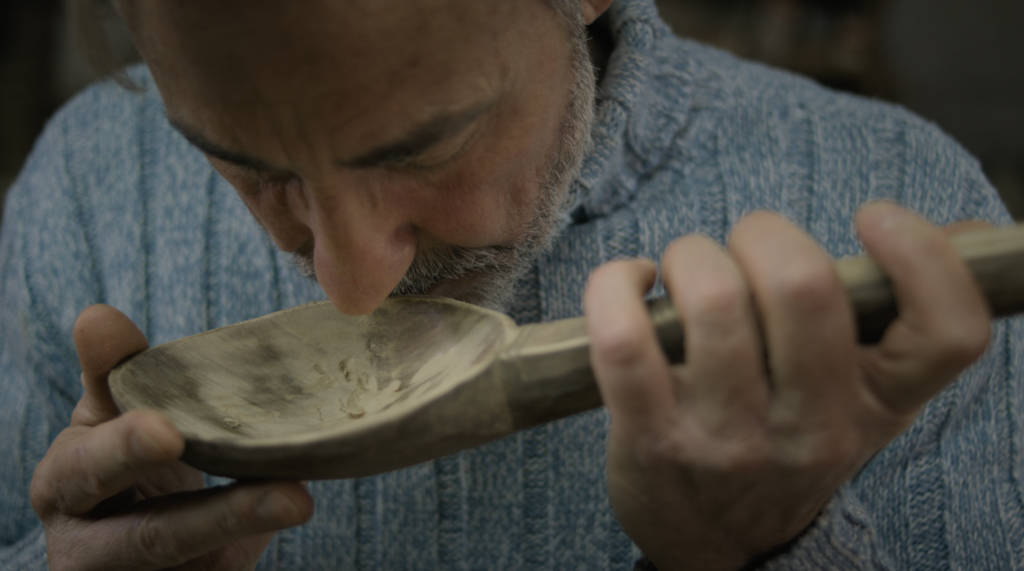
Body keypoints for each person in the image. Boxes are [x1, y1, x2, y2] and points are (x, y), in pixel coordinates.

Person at [1, 0, 1020, 569]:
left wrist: (759, 551)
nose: (349, 282)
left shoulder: (895, 193)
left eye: (428, 145)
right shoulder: (87, 184)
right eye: (243, 162)